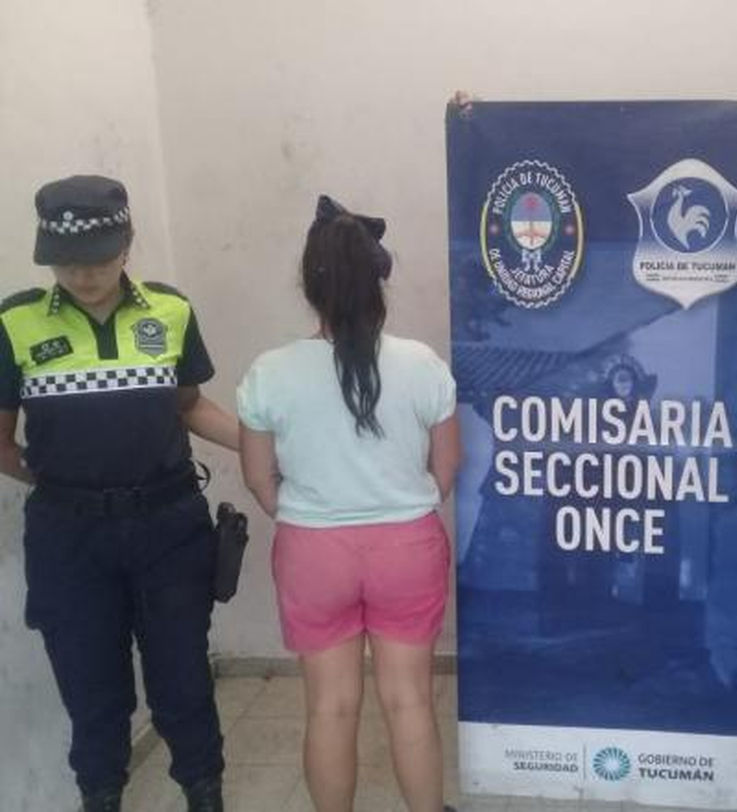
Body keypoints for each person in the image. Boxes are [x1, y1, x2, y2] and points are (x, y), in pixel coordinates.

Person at [0, 175, 239, 811]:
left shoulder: (170, 310)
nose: (83, 274)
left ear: (127, 245)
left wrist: (260, 447)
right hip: (68, 539)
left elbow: (189, 405)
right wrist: (65, 485)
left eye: (99, 259)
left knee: (183, 681)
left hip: (169, 529)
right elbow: (2, 442)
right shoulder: (15, 322)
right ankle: (100, 796)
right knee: (92, 691)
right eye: (67, 262)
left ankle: (204, 793)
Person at [237, 194, 460, 812]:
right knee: (409, 700)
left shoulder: (269, 372)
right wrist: (400, 505)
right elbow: (446, 468)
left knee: (330, 707)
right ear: (377, 284)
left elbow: (257, 477)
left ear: (310, 287)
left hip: (312, 552)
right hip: (407, 547)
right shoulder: (422, 365)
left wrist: (311, 516)